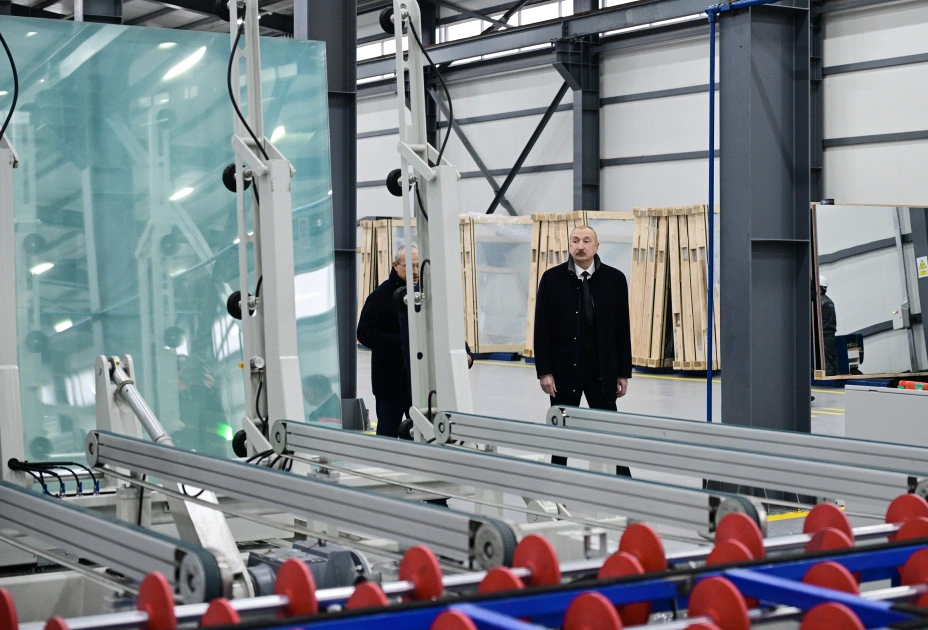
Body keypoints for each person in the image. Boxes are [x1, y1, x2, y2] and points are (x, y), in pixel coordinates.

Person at [534, 225, 633, 477]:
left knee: (611, 431)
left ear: (596, 246)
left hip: (603, 369)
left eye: (586, 241)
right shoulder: (552, 279)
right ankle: (557, 481)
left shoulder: (615, 280)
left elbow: (622, 329)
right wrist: (544, 371)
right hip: (564, 371)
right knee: (562, 433)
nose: (580, 246)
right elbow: (541, 328)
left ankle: (624, 482)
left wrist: (623, 372)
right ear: (569, 245)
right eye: (575, 240)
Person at [357, 245, 419, 438]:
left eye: (418, 266)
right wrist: (401, 343)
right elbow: (364, 332)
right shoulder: (381, 296)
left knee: (422, 433)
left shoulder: (424, 294)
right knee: (387, 435)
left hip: (419, 382)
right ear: (395, 265)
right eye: (410, 266)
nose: (415, 271)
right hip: (390, 383)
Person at [820, 275, 839, 376]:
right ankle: (837, 381)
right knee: (834, 361)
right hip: (831, 335)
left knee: (825, 363)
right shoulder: (830, 301)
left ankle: (830, 382)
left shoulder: (818, 302)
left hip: (823, 337)